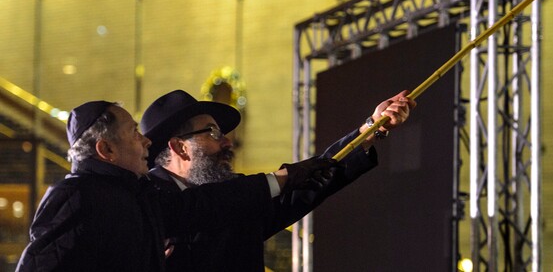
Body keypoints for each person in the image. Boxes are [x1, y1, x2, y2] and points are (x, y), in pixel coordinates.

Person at [15, 101, 333, 271]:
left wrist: (285, 178)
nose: (145, 141)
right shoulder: (76, 196)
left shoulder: (137, 196)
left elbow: (201, 206)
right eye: (133, 131)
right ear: (106, 150)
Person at [140, 89, 416, 271]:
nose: (227, 142)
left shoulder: (240, 194)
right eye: (212, 133)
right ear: (179, 147)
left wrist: (372, 128)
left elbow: (313, 181)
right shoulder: (143, 201)